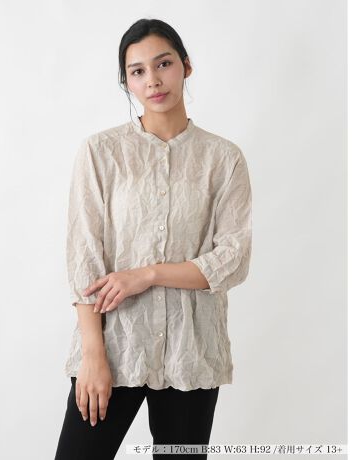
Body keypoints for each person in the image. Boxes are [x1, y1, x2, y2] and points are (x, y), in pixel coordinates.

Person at [54, 18, 252, 460]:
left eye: (163, 64)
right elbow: (84, 257)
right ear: (126, 81)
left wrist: (147, 275)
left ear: (186, 66)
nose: (153, 80)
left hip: (191, 352)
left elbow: (233, 259)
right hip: (115, 345)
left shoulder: (224, 160)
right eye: (137, 71)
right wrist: (92, 355)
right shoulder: (101, 153)